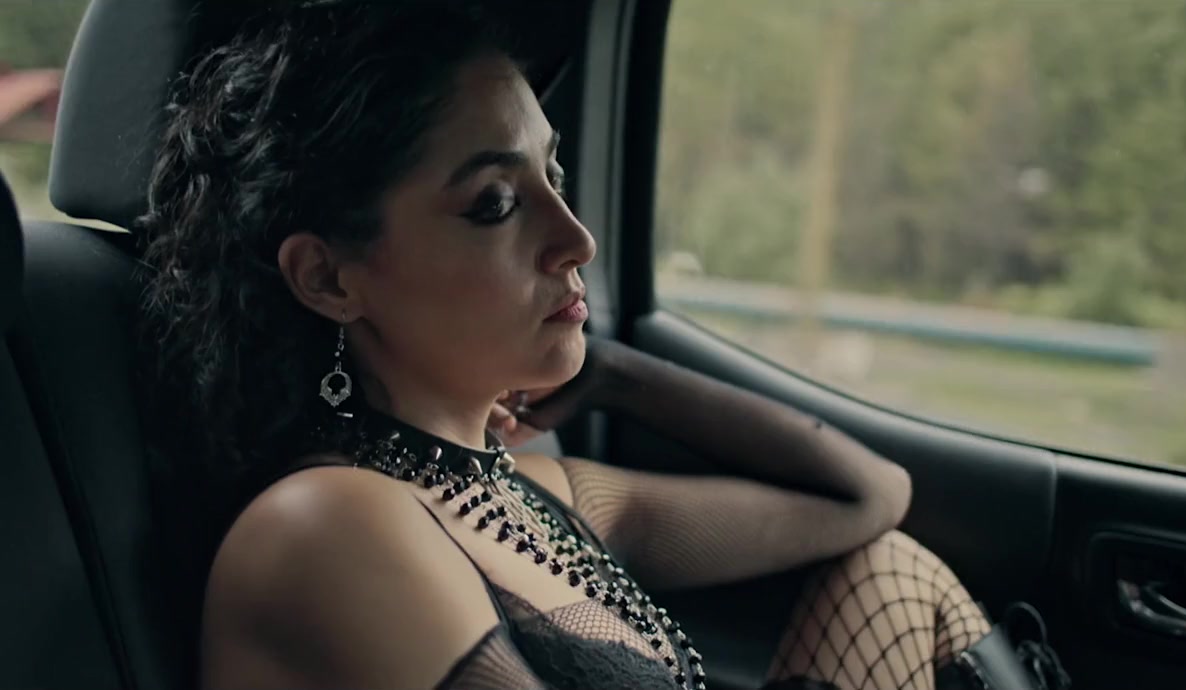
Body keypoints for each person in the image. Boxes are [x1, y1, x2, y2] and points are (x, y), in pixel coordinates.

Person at [136, 2, 1069, 689]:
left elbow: (867, 499)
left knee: (892, 569)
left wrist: (617, 375)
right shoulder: (329, 525)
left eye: (555, 174)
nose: (576, 238)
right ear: (330, 278)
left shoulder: (535, 496)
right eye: (496, 203)